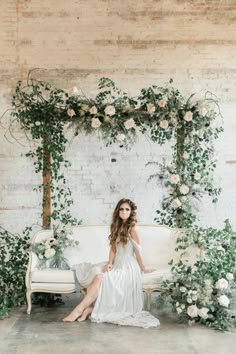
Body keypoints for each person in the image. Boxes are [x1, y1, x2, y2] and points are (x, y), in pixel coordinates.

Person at [63, 198, 160, 328]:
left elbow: (137, 253)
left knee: (99, 277)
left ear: (131, 212)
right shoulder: (116, 226)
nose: (124, 212)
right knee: (95, 274)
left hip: (129, 267)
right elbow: (113, 248)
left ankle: (79, 310)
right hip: (118, 263)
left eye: (127, 209)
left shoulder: (132, 229)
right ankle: (88, 308)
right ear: (117, 211)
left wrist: (143, 268)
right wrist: (109, 262)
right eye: (122, 209)